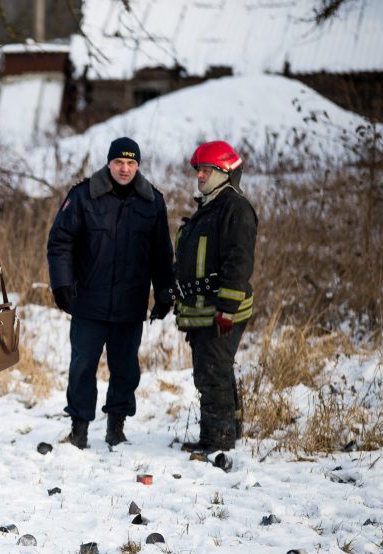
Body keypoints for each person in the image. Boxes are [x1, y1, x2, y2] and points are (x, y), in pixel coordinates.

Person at [47, 137, 176, 449]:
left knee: (125, 368)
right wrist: (62, 283)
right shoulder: (83, 195)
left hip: (130, 303)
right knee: (82, 367)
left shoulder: (152, 201)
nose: (125, 168)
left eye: (131, 163)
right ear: (109, 163)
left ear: (138, 166)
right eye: (119, 162)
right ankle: (79, 429)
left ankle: (116, 427)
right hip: (89, 301)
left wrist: (164, 293)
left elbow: (161, 252)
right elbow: (60, 241)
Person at [175, 140, 257, 452]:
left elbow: (239, 262)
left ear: (224, 172)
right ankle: (230, 432)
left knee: (211, 373)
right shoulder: (210, 206)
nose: (200, 175)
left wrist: (226, 308)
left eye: (207, 170)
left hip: (221, 311)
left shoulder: (235, 208)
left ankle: (217, 440)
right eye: (198, 169)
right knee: (217, 370)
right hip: (203, 309)